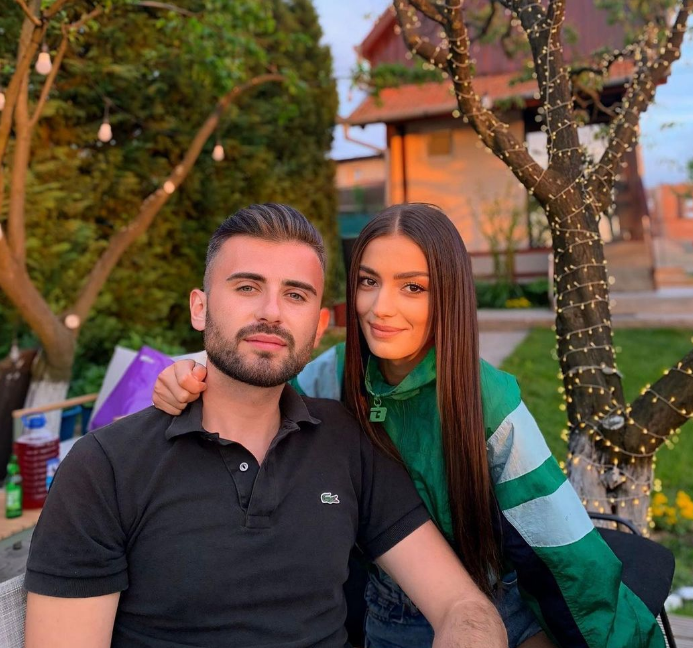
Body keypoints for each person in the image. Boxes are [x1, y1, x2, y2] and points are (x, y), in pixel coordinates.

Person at [154, 203, 665, 648]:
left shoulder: (487, 400)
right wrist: (191, 371)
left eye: (413, 287)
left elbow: (563, 542)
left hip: (496, 604)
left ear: (448, 295)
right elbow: (256, 369)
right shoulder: (335, 374)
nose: (381, 308)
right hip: (386, 611)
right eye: (368, 282)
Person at [24, 204, 508, 648]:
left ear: (318, 327)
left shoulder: (347, 440)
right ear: (199, 308)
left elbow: (462, 605)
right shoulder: (105, 468)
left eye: (295, 295)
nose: (271, 313)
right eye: (247, 287)